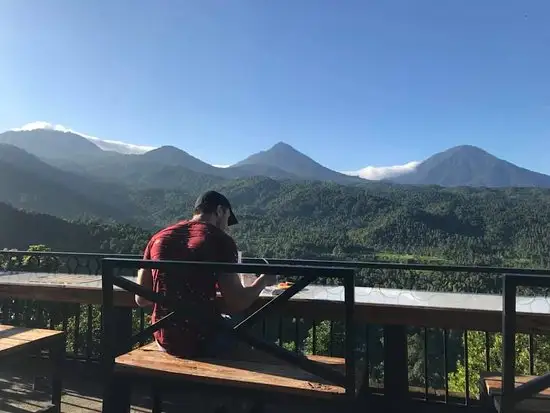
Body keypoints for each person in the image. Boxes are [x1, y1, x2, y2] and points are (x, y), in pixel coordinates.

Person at [135, 190, 277, 359]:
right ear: (219, 211)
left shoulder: (159, 237)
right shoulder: (219, 240)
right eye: (227, 219)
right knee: (248, 331)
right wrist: (263, 281)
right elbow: (237, 301)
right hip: (202, 342)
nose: (226, 226)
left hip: (164, 340)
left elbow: (141, 298)